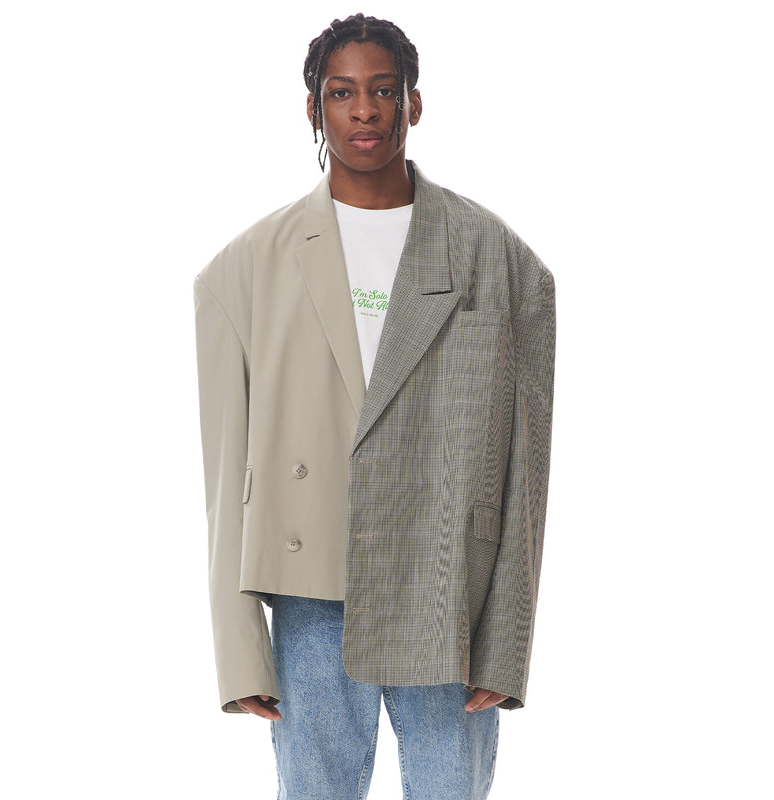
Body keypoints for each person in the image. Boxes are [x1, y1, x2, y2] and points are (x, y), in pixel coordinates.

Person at [193, 13, 556, 799]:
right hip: (312, 594)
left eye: (384, 90)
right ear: (314, 107)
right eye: (341, 92)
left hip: (445, 589)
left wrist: (507, 642)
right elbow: (225, 478)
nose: (364, 110)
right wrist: (239, 648)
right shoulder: (243, 270)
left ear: (413, 103)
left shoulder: (499, 260)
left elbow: (525, 476)